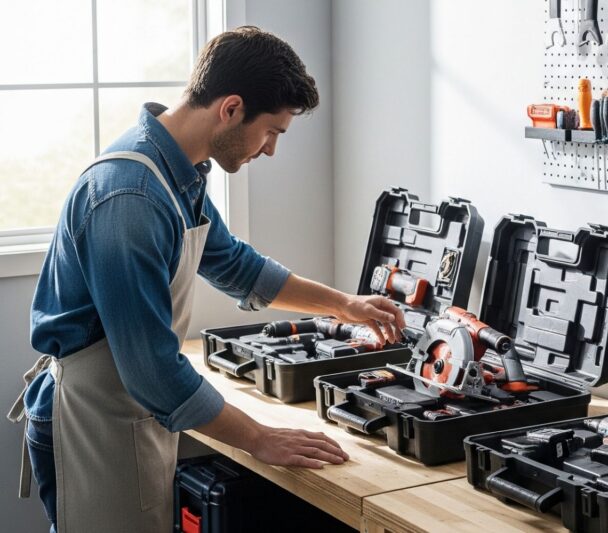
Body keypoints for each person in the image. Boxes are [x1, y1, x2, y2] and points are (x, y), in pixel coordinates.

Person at [7, 26, 405, 532]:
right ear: (231, 108)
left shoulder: (177, 170)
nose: (270, 151)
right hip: (93, 420)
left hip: (128, 411)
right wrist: (260, 437)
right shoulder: (131, 197)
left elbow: (235, 264)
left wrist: (343, 305)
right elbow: (153, 371)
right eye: (273, 132)